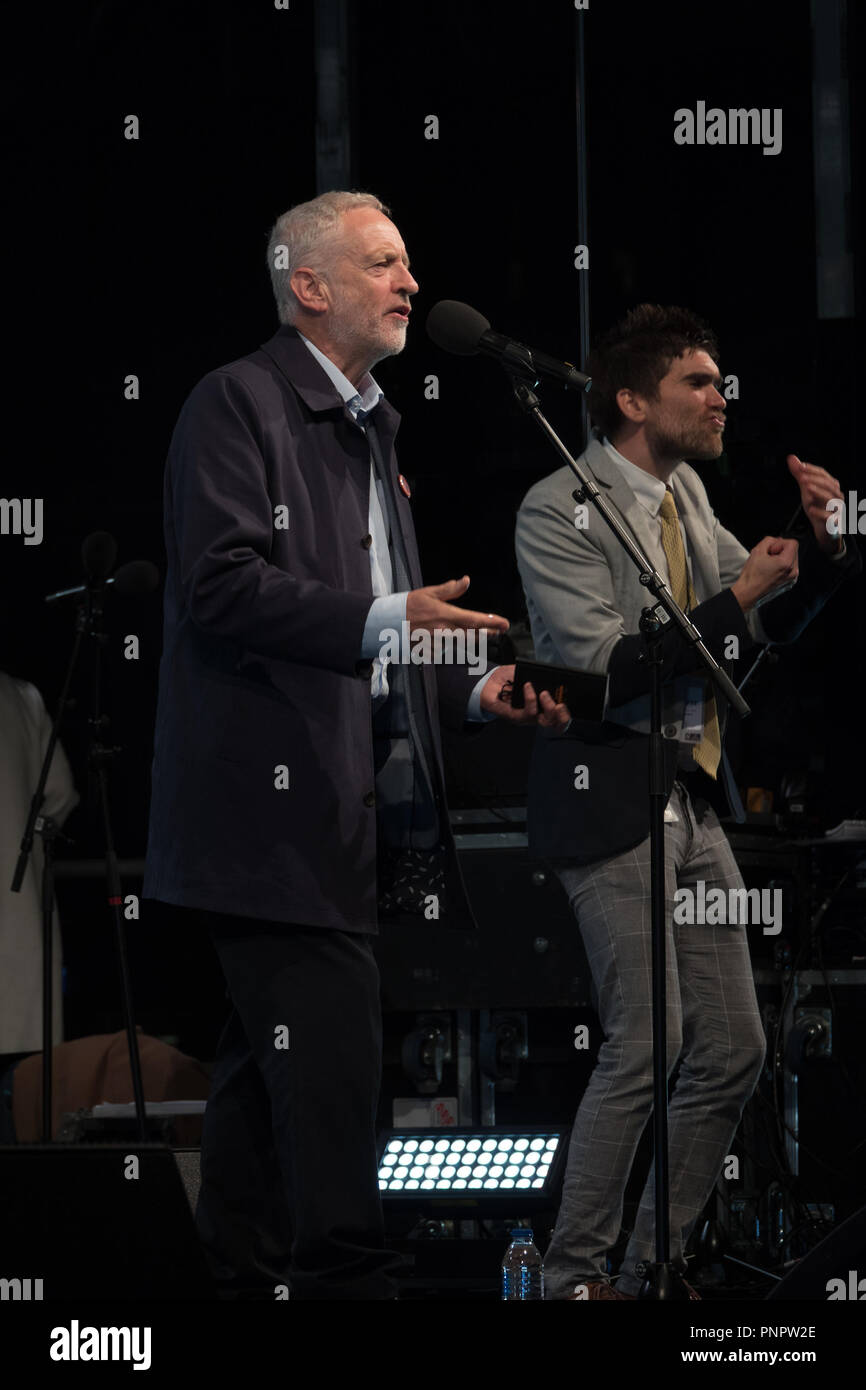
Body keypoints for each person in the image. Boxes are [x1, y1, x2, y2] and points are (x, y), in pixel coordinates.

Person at [142, 190, 568, 1300]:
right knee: (328, 1092)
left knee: (258, 1085)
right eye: (383, 263)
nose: (410, 284)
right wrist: (389, 620)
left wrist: (472, 695)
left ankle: (238, 1279)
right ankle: (354, 1285)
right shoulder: (235, 403)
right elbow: (222, 585)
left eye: (408, 263)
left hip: (339, 816)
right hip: (267, 819)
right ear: (309, 286)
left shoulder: (371, 427)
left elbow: (385, 623)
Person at [514, 303, 861, 1301]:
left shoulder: (685, 494)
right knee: (649, 1037)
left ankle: (645, 1270)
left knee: (733, 1046)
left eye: (719, 383)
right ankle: (572, 1276)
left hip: (687, 797)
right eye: (697, 383)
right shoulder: (559, 504)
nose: (719, 398)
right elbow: (600, 670)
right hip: (607, 787)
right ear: (631, 399)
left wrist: (821, 549)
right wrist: (742, 596)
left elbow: (745, 632)